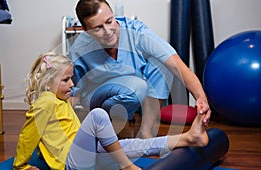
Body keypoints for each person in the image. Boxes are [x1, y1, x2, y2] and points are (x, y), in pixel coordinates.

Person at [13, 51, 209, 170]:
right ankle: (126, 167)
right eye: (66, 80)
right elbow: (29, 133)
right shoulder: (45, 101)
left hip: (83, 155)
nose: (72, 84)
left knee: (131, 145)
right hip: (72, 164)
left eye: (71, 78)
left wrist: (44, 151)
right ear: (48, 84)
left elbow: (53, 132)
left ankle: (188, 137)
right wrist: (20, 165)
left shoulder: (58, 100)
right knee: (98, 115)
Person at [69, 0, 211, 138]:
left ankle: (145, 131)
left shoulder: (136, 32)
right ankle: (111, 129)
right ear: (86, 30)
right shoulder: (81, 48)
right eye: (97, 28)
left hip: (131, 94)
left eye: (109, 21)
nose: (107, 31)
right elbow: (72, 91)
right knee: (135, 87)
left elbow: (177, 65)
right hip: (98, 99)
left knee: (161, 63)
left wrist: (201, 98)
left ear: (113, 15)